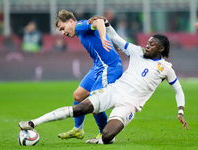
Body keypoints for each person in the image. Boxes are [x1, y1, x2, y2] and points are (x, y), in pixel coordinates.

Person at [19, 16, 189, 144]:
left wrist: (180, 111)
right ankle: (33, 122)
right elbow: (115, 38)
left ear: (161, 48)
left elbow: (178, 90)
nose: (147, 45)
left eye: (152, 45)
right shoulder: (136, 51)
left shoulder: (166, 68)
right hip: (115, 90)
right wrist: (106, 22)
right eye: (148, 42)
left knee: (108, 136)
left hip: (129, 105)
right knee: (80, 107)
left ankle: (101, 137)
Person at [25, 10, 123, 140]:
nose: (63, 33)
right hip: (98, 66)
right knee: (78, 95)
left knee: (94, 101)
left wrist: (105, 38)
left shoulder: (79, 26)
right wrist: (113, 43)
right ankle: (78, 129)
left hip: (109, 67)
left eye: (63, 28)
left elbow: (99, 21)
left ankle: (106, 134)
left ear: (71, 21)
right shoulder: (80, 30)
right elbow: (99, 29)